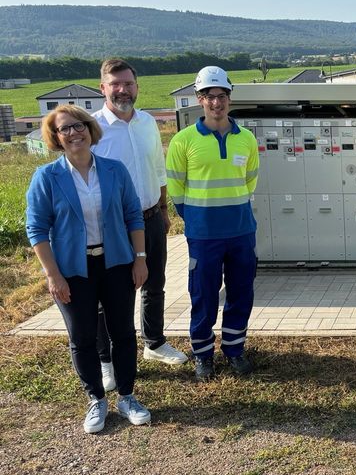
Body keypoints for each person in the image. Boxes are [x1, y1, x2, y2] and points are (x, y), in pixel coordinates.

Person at [26, 105, 151, 434]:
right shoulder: (46, 177)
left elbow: (133, 215)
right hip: (72, 269)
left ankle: (127, 396)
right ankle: (97, 398)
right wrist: (53, 275)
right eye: (64, 128)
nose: (73, 133)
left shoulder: (114, 170)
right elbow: (36, 229)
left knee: (123, 333)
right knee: (82, 337)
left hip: (116, 263)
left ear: (90, 128)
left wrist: (140, 258)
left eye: (79, 125)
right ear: (56, 137)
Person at [93, 58, 187, 393]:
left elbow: (157, 167)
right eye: (115, 84)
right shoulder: (92, 128)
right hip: (113, 226)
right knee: (111, 295)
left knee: (155, 283)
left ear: (137, 86)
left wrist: (163, 208)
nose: (122, 90)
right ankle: (107, 360)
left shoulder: (147, 122)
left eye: (128, 84)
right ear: (103, 88)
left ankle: (154, 342)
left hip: (150, 217)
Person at [165, 66, 259, 381]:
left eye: (221, 96)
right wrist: (195, 218)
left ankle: (234, 350)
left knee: (241, 292)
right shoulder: (183, 141)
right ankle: (203, 355)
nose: (216, 102)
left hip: (241, 230)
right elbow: (176, 188)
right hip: (204, 235)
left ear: (229, 98)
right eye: (209, 96)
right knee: (203, 295)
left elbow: (250, 180)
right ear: (199, 99)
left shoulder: (246, 139)